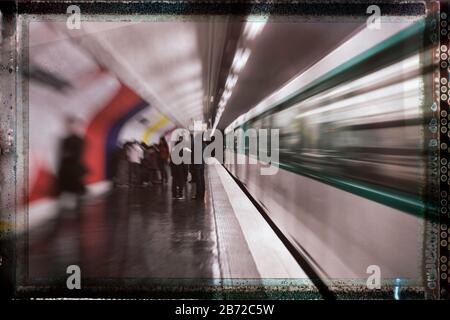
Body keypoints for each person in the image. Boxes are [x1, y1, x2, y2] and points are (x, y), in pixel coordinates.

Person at [57, 117, 87, 197]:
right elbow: (62, 155)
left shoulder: (79, 140)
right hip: (67, 167)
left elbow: (78, 154)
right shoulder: (65, 140)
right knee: (69, 188)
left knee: (74, 188)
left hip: (73, 167)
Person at [191, 131, 206, 200]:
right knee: (202, 179)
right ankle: (202, 194)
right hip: (202, 164)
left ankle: (198, 195)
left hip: (197, 164)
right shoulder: (204, 144)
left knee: (198, 180)